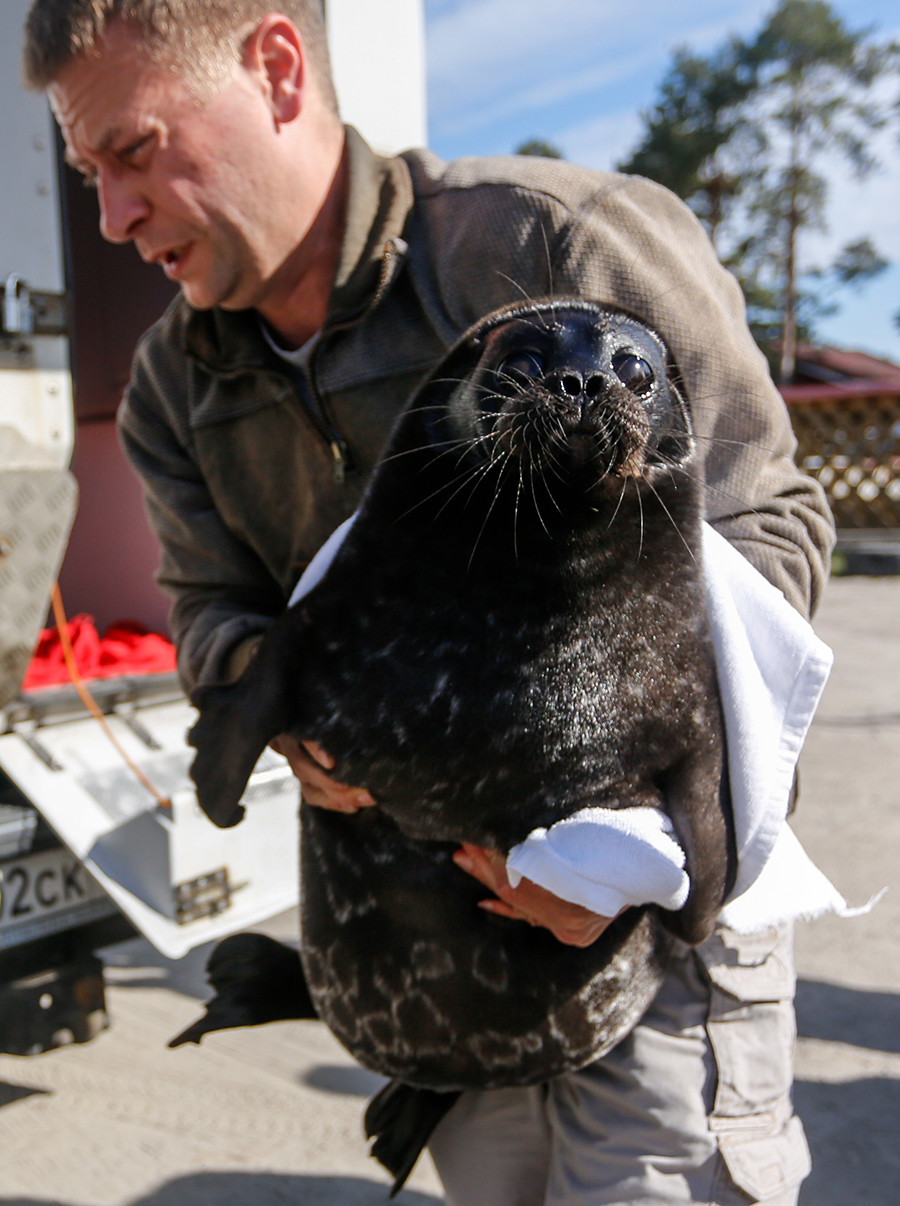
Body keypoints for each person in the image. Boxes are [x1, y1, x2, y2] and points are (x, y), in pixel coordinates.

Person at [24, 3, 834, 1202]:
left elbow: (772, 527)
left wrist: (636, 852)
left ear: (278, 68)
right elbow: (211, 611)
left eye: (134, 151)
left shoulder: (565, 246)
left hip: (663, 917)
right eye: (88, 174)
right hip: (435, 940)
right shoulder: (170, 387)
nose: (110, 217)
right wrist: (293, 718)